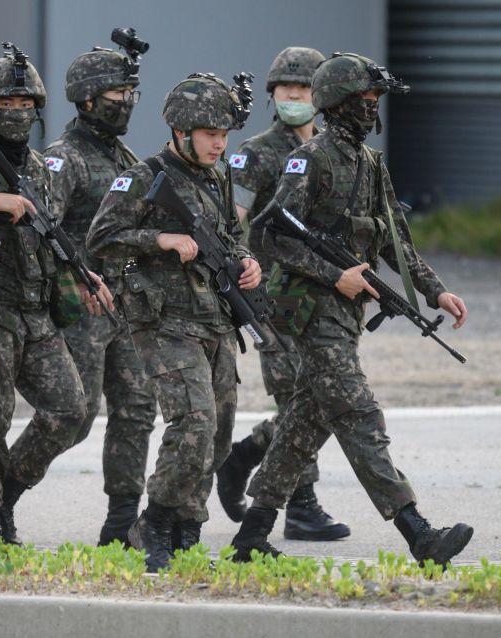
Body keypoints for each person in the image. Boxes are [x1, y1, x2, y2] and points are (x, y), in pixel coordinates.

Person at [229, 53, 472, 566]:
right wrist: (332, 274)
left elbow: (396, 246)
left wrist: (436, 291)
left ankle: (250, 537)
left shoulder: (370, 162)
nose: (371, 109)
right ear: (339, 105)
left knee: (302, 425)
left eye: (375, 101)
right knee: (360, 415)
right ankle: (418, 533)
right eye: (364, 101)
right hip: (310, 313)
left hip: (344, 315)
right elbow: (268, 232)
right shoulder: (310, 159)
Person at [0, 43, 113, 546]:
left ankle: (6, 491)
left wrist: (84, 276)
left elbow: (53, 236)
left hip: (36, 316)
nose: (17, 114)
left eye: (26, 105)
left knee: (70, 410)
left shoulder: (39, 168)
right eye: (7, 105)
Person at [86, 73, 261, 571]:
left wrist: (247, 261)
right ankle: (154, 522)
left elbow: (230, 233)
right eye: (210, 134)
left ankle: (188, 529)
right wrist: (159, 240)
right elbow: (101, 238)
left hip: (214, 318)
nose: (219, 144)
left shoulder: (218, 174)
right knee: (193, 423)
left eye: (224, 135)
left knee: (219, 433)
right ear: (181, 131)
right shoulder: (145, 175)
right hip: (163, 322)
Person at [218, 46, 350, 542]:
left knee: (321, 396)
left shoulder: (331, 148)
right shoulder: (257, 153)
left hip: (325, 295)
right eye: (286, 88)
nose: (295, 96)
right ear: (273, 94)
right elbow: (235, 217)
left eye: (303, 88)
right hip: (274, 295)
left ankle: (244, 456)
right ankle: (301, 504)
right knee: (300, 395)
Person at [44, 44, 156, 546]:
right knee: (76, 416)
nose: (127, 101)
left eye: (132, 92)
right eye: (117, 93)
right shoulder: (63, 159)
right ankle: (1, 492)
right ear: (86, 100)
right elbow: (42, 229)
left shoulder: (126, 157)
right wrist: (77, 280)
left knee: (137, 408)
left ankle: (120, 525)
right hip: (83, 304)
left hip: (127, 307)